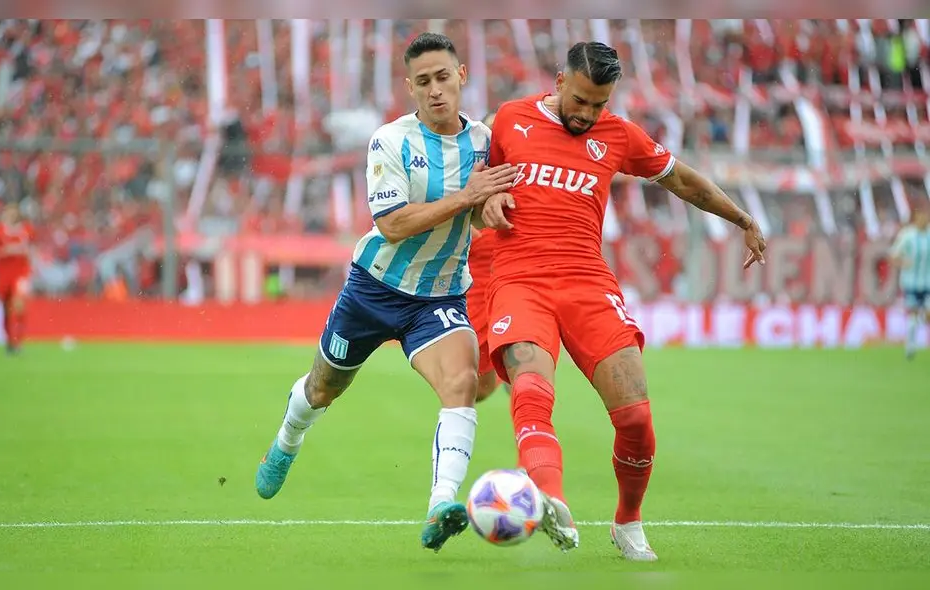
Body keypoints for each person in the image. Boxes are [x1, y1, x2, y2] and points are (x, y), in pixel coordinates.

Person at [478, 41, 767, 561]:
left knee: (635, 418)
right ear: (560, 81)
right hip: (519, 281)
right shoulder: (508, 119)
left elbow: (679, 179)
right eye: (581, 100)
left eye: (600, 104)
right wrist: (487, 195)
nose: (588, 114)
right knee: (532, 389)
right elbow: (471, 186)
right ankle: (552, 500)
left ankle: (628, 522)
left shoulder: (617, 135)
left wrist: (742, 219)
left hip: (588, 282)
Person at [254, 32, 517, 554]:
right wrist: (468, 196)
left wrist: (487, 208)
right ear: (409, 88)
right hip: (373, 289)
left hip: (439, 297)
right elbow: (394, 224)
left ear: (462, 76)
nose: (436, 90)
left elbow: (484, 210)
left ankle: (442, 504)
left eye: (444, 77)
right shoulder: (390, 141)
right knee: (323, 389)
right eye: (424, 82)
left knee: (461, 383)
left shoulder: (487, 142)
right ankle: (287, 439)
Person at [468, 112, 508, 403]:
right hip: (475, 290)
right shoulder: (466, 177)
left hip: (515, 287)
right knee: (478, 390)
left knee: (527, 368)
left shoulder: (528, 178)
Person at [0, 203, 34, 355]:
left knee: (19, 304)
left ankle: (18, 343)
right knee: (6, 309)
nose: (11, 215)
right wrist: (3, 251)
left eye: (14, 212)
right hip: (4, 274)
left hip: (21, 273)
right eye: (9, 212)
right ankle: (9, 341)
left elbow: (31, 249)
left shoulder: (26, 229)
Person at [890, 207, 930, 360]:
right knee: (913, 312)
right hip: (911, 283)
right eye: (921, 216)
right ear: (915, 218)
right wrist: (903, 262)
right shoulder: (908, 235)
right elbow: (893, 256)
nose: (924, 219)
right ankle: (911, 344)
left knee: (926, 315)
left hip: (928, 283)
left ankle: (917, 321)